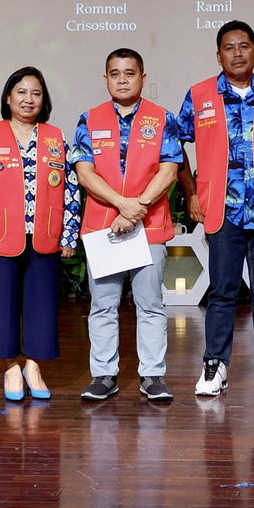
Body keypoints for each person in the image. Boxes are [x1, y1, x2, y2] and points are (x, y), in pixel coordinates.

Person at [176, 20, 254, 395]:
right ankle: (215, 364)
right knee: (222, 292)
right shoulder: (199, 95)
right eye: (229, 47)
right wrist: (191, 191)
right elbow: (175, 147)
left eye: (244, 46)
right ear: (218, 54)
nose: (237, 53)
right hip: (221, 210)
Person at [72, 48, 184, 402]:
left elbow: (169, 170)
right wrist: (122, 205)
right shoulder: (88, 119)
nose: (122, 79)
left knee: (150, 303)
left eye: (129, 73)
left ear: (143, 78)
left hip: (148, 226)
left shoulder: (163, 118)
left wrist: (137, 209)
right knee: (103, 305)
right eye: (115, 73)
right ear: (105, 78)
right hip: (104, 227)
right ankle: (104, 375)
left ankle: (152, 375)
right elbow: (84, 172)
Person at [0, 66, 81, 402]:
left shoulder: (55, 137)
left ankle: (33, 365)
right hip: (0, 236)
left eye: (36, 93)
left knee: (41, 305)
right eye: (22, 92)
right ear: (8, 97)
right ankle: (10, 368)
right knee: (1, 305)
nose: (29, 99)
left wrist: (68, 235)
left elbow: (70, 189)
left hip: (45, 234)